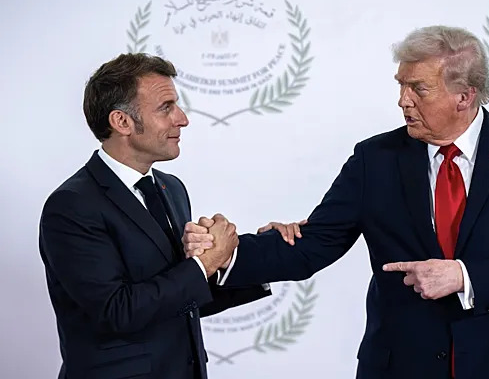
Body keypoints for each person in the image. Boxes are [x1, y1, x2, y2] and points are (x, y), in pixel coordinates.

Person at [184, 26, 489, 379]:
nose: (403, 101)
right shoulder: (374, 159)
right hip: (400, 365)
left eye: (418, 89)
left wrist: (464, 277)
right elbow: (313, 244)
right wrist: (226, 254)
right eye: (401, 86)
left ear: (464, 96)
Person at [38, 54, 299, 379]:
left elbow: (182, 299)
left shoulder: (171, 188)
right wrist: (205, 263)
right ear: (122, 122)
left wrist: (258, 254)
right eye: (166, 108)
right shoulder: (71, 205)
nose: (182, 119)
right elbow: (117, 312)